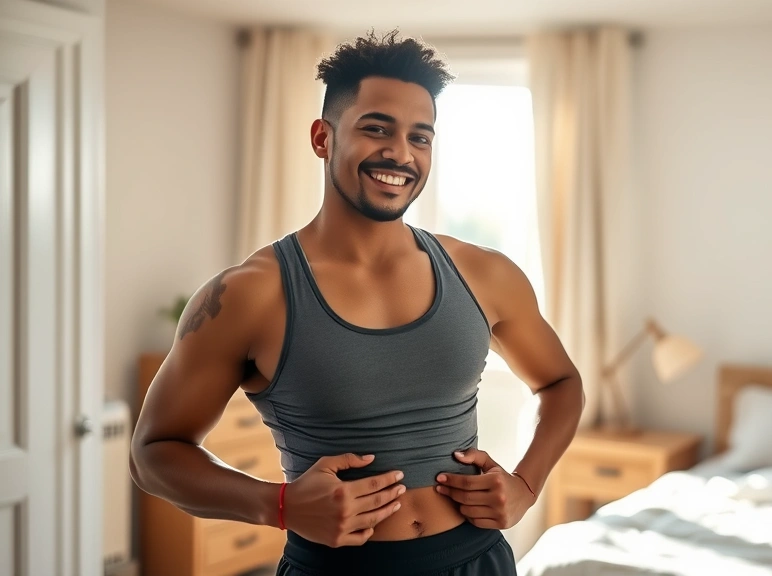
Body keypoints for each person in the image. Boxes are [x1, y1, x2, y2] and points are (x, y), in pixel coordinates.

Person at [130, 29, 585, 576]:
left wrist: (527, 483)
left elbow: (561, 383)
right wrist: (277, 504)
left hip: (478, 562)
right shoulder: (249, 295)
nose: (400, 153)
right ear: (323, 137)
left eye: (421, 137)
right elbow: (153, 453)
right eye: (377, 129)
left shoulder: (484, 274)